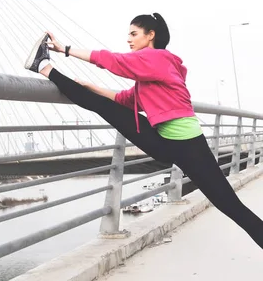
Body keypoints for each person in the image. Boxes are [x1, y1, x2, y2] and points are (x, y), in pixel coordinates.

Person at [24, 13, 263, 249]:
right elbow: (125, 99)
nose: (128, 39)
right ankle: (45, 68)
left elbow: (113, 61)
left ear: (151, 36)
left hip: (188, 146)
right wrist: (92, 88)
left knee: (230, 205)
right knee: (100, 103)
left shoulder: (157, 58)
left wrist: (65, 49)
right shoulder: (150, 73)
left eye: (133, 33)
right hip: (167, 143)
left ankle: (45, 66)